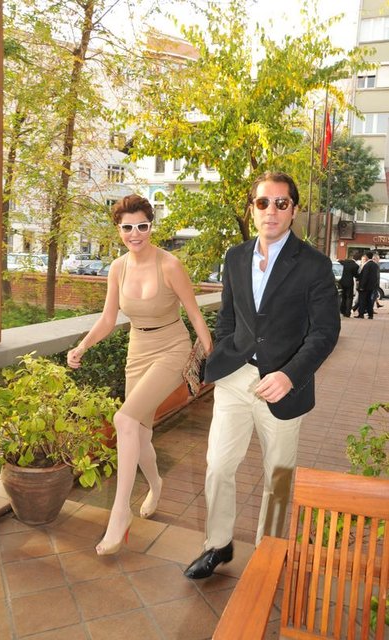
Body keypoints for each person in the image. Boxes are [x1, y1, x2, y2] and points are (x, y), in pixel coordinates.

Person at [184, 171, 340, 580]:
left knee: (279, 477)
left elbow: (325, 332)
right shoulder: (235, 257)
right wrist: (224, 353)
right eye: (263, 202)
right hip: (236, 378)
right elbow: (229, 316)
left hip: (283, 386)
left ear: (294, 210)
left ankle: (268, 552)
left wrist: (290, 375)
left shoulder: (314, 265)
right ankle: (218, 544)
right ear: (252, 209)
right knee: (218, 465)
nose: (271, 210)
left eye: (281, 203)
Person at [67, 194, 213, 555]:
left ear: (151, 226)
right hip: (137, 351)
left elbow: (195, 315)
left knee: (123, 419)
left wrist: (211, 357)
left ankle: (120, 513)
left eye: (142, 226)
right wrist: (82, 346)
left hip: (172, 348)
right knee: (139, 434)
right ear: (118, 229)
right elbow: (108, 319)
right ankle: (156, 484)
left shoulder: (170, 265)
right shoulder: (117, 268)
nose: (135, 234)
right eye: (127, 227)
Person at [354, 251, 380, 319]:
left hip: (365, 286)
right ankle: (370, 314)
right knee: (369, 300)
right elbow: (376, 276)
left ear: (367, 257)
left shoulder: (367, 265)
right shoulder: (375, 265)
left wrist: (362, 286)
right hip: (371, 286)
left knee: (362, 300)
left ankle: (361, 314)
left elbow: (365, 276)